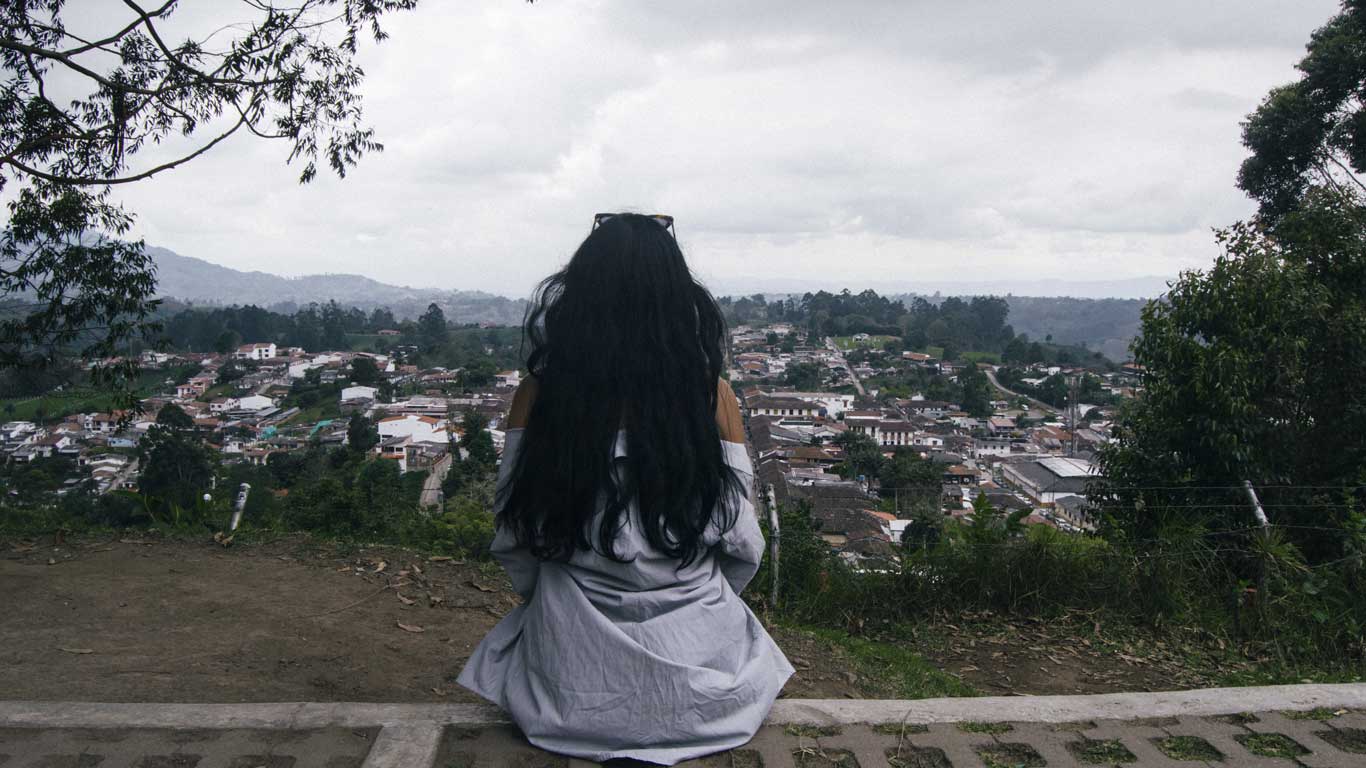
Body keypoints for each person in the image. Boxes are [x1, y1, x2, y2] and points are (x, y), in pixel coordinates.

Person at [457, 213, 793, 764]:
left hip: (567, 687)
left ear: (579, 298)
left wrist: (555, 606)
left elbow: (514, 540)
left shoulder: (539, 398)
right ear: (677, 297)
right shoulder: (713, 399)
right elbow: (743, 548)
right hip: (709, 691)